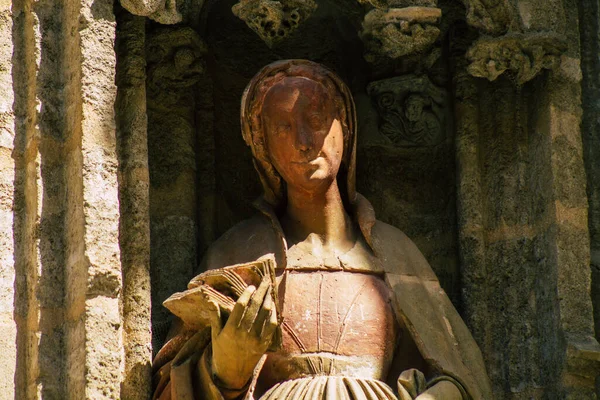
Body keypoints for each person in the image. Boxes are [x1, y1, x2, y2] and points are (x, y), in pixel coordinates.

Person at [152, 60, 493, 400]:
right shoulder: (237, 252)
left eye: (315, 121)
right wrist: (226, 370)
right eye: (283, 128)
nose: (302, 141)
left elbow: (462, 380)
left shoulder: (393, 251)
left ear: (343, 128)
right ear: (262, 146)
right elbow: (169, 391)